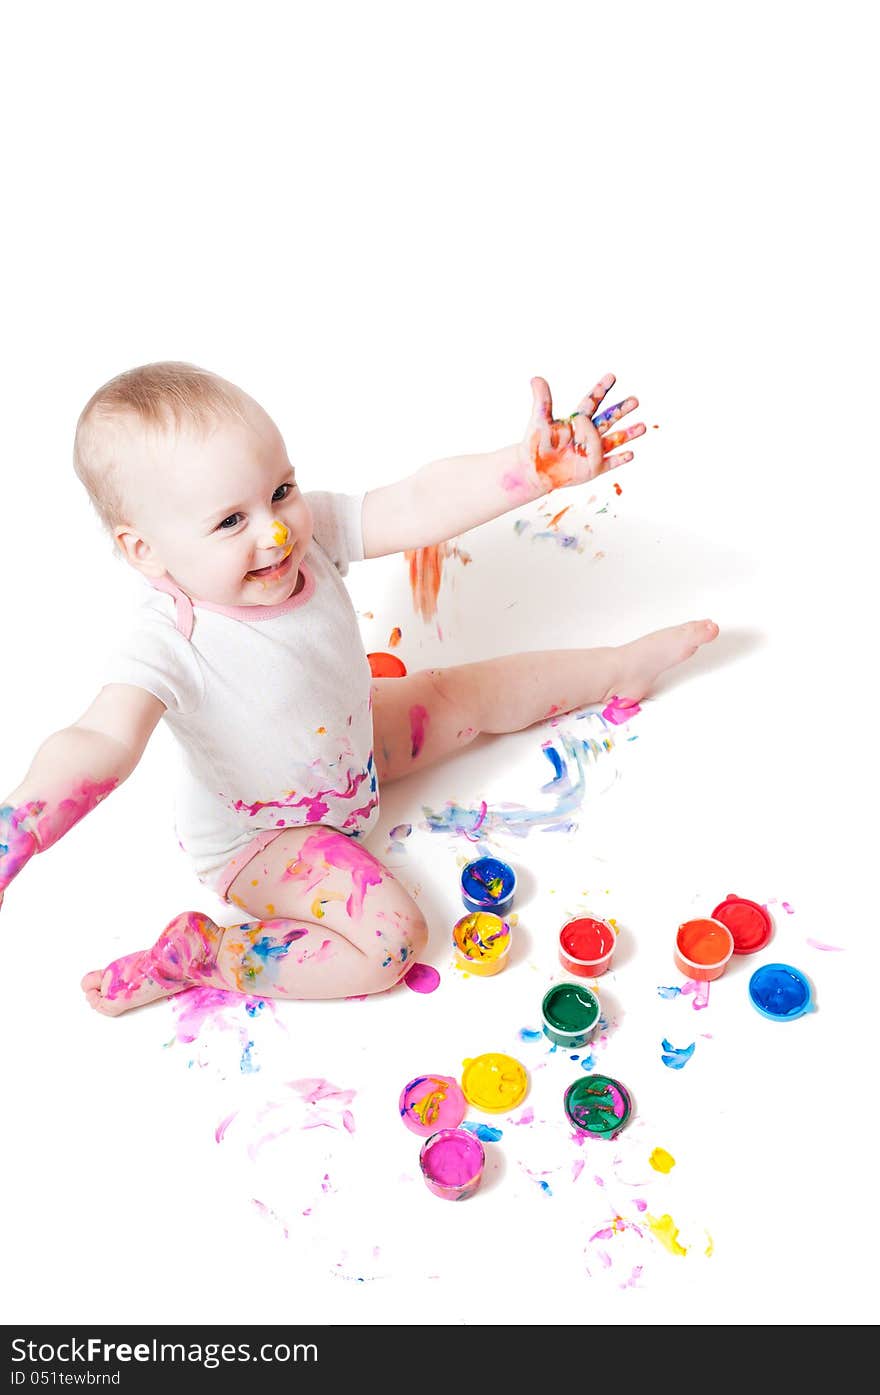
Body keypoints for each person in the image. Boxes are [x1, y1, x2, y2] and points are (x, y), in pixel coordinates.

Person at [0, 361, 719, 1016]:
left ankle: (615, 668)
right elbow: (101, 735)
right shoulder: (166, 637)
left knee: (471, 693)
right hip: (267, 837)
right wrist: (20, 823)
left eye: (280, 490)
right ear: (143, 549)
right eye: (230, 521)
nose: (277, 533)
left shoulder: (303, 534)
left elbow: (415, 501)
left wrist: (530, 469)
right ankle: (205, 955)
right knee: (390, 943)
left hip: (354, 750)